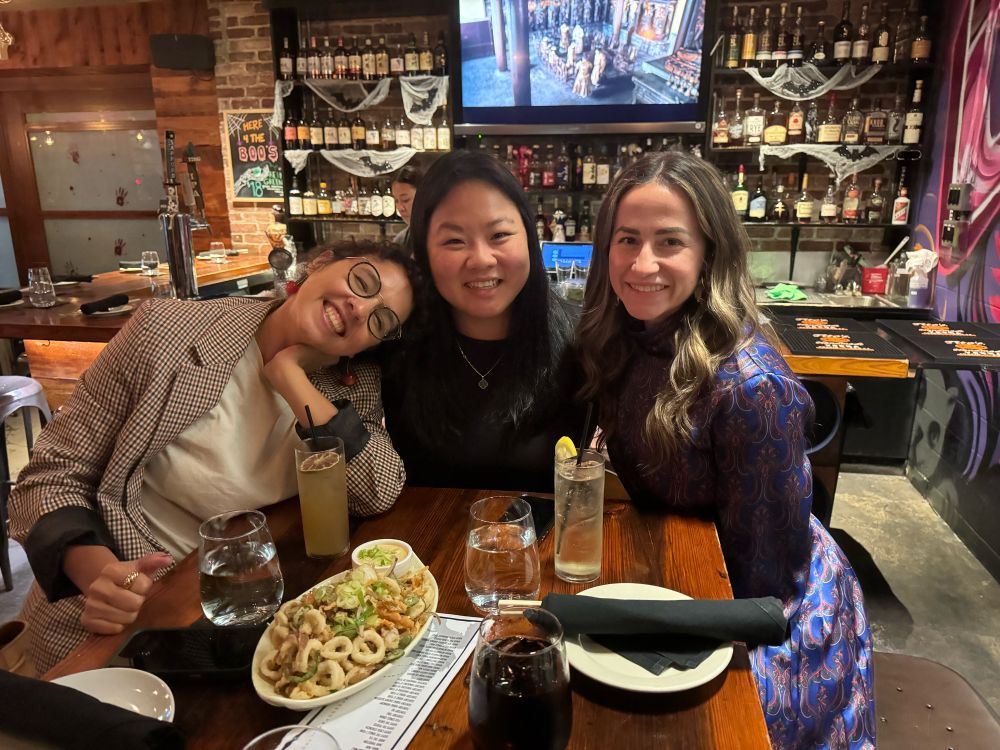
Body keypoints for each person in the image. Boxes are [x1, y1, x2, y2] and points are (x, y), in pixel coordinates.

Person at [576, 152, 875, 749]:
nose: (643, 263)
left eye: (670, 242)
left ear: (710, 253)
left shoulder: (751, 387)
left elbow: (764, 585)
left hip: (771, 610)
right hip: (684, 573)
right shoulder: (621, 336)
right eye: (627, 239)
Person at [9, 240, 418, 675]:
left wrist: (289, 376)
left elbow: (377, 490)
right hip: (110, 620)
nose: (359, 308)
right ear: (319, 265)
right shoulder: (168, 329)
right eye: (362, 281)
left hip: (235, 622)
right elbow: (52, 473)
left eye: (381, 319)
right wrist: (101, 575)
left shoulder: (353, 386)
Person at [380, 150, 586, 492]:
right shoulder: (393, 345)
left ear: (530, 239)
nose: (481, 259)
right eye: (454, 241)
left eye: (499, 235)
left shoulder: (582, 342)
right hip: (420, 542)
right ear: (423, 253)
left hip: (546, 543)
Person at [390, 166, 421, 248]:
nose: (400, 208)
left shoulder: (443, 235)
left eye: (405, 200)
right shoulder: (400, 240)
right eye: (396, 200)